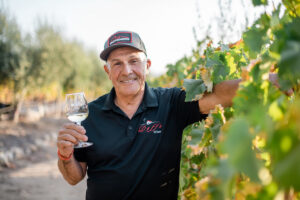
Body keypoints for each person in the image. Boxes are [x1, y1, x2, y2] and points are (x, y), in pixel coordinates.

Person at [56, 31, 259, 200]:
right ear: (107, 71)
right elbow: (74, 177)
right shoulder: (90, 115)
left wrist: (270, 79)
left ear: (148, 65)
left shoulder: (170, 103)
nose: (127, 71)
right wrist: (65, 155)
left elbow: (218, 95)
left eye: (134, 61)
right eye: (117, 63)